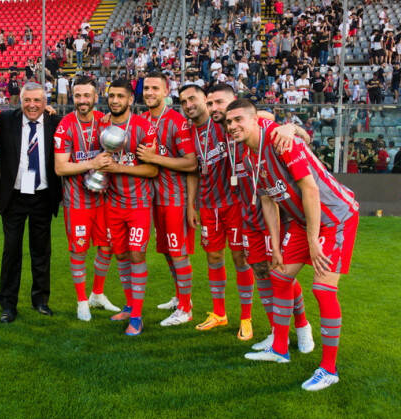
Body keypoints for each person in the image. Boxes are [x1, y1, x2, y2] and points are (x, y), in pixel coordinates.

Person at [226, 99, 359, 391]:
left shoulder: (281, 140)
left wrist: (313, 239)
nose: (233, 126)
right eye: (229, 122)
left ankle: (329, 368)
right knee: (279, 275)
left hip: (335, 216)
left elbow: (310, 188)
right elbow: (267, 199)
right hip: (301, 221)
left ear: (254, 120)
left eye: (238, 120)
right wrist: (275, 243)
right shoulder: (248, 156)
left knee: (323, 289)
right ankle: (280, 348)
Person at [179, 84, 256, 337]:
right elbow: (193, 170)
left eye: (217, 103)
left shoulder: (232, 124)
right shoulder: (190, 131)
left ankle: (246, 317)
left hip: (235, 204)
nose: (214, 108)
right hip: (208, 204)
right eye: (211, 104)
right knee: (213, 257)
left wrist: (291, 127)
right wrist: (192, 204)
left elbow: (262, 118)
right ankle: (219, 313)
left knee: (240, 258)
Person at [53, 76, 120, 321]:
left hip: (103, 199)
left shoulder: (105, 122)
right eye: (78, 95)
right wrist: (92, 163)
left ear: (95, 96)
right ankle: (82, 300)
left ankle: (97, 294)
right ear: (73, 96)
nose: (82, 100)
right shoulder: (65, 126)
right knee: (79, 250)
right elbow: (60, 168)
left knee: (107, 246)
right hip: (77, 201)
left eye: (87, 96)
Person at [95, 78, 157, 336]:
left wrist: (117, 167)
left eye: (121, 96)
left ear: (131, 99)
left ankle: (138, 317)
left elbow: (152, 169)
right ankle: (130, 305)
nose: (115, 100)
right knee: (120, 255)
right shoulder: (101, 125)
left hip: (139, 204)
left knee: (136, 255)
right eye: (112, 96)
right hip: (113, 203)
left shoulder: (144, 128)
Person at [0, 82, 62, 323]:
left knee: (41, 251)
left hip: (43, 195)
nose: (32, 105)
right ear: (20, 101)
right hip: (14, 197)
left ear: (45, 103)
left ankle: (41, 300)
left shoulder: (56, 122)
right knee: (11, 251)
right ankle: (8, 305)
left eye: (37, 100)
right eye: (27, 100)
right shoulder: (6, 120)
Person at [136, 72, 198, 326]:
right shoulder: (140, 120)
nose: (149, 93)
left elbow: (191, 162)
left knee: (178, 252)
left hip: (175, 198)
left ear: (165, 90)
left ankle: (186, 308)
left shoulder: (177, 122)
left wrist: (156, 159)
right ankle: (180, 296)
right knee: (166, 252)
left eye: (155, 88)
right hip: (152, 198)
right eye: (146, 88)